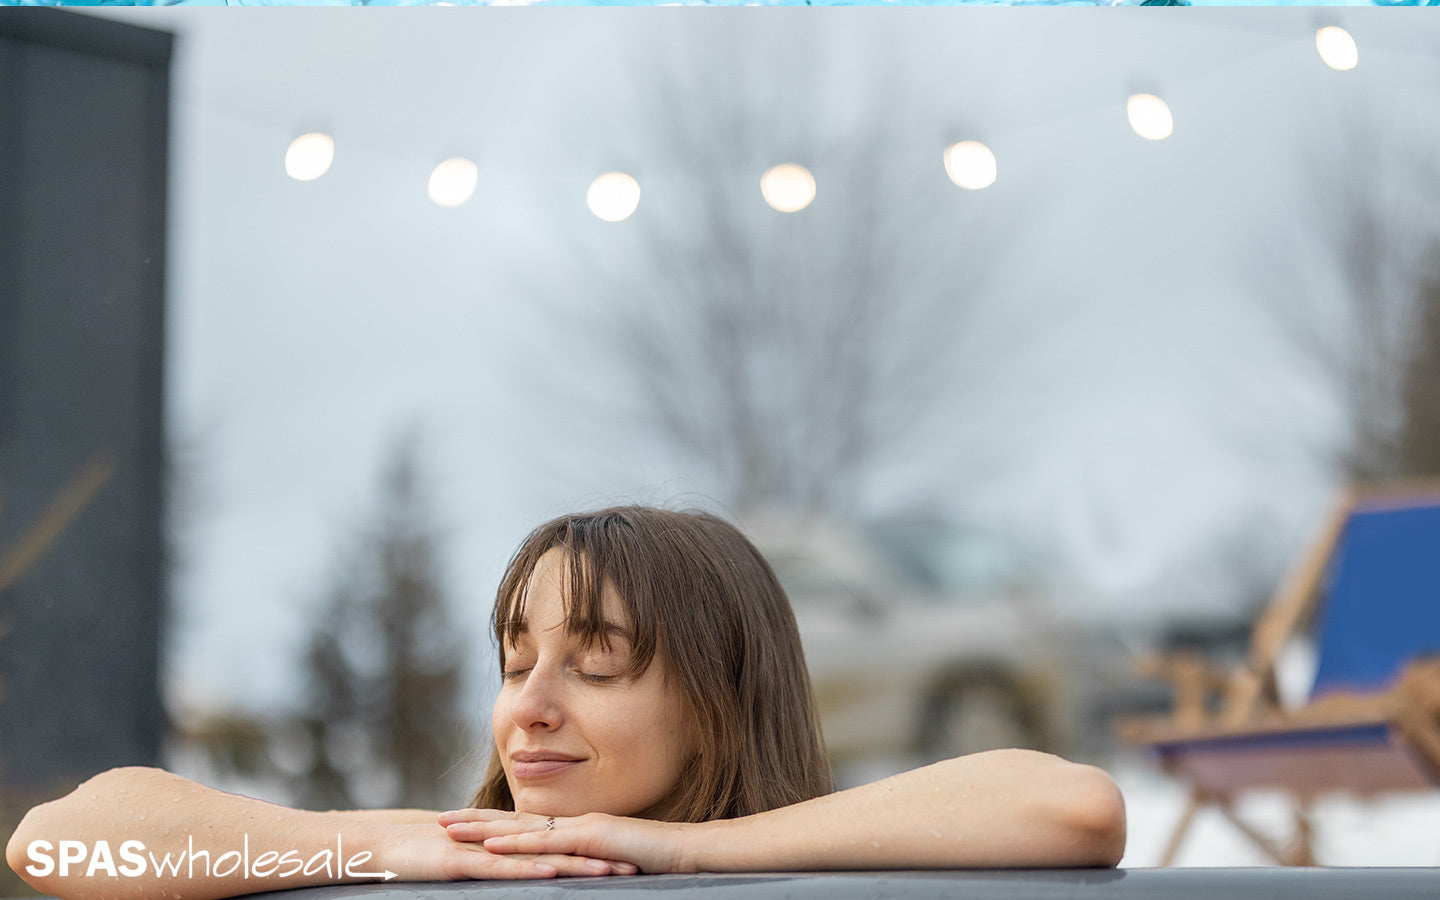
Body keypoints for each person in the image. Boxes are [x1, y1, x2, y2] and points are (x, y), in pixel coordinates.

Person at [7, 506, 1126, 900]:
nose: (531, 707)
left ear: (723, 701)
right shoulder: (451, 863)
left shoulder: (809, 876)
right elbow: (54, 846)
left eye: (597, 665)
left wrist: (683, 852)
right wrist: (382, 847)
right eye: (514, 664)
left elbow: (1076, 809)